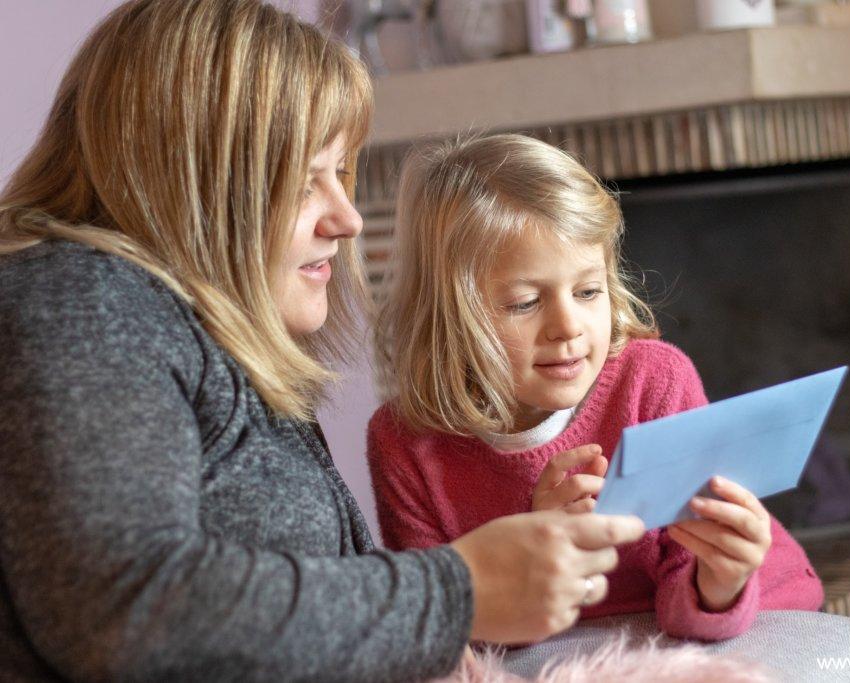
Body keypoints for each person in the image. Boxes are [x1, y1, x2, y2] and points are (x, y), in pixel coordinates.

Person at [0, 3, 646, 681]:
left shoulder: (205, 337)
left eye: (342, 173)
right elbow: (123, 609)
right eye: (308, 178)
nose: (345, 217)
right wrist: (460, 589)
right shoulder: (79, 300)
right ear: (192, 179)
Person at [368, 134, 826, 643]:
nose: (568, 326)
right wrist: (537, 554)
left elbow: (688, 605)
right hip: (582, 647)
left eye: (588, 292)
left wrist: (722, 579)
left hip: (750, 612)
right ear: (449, 319)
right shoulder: (405, 442)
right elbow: (442, 627)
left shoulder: (653, 382)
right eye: (523, 302)